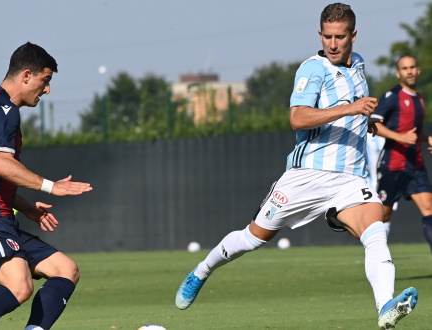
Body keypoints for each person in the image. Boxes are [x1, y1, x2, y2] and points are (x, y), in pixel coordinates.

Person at [175, 4, 418, 329]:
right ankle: (201, 271)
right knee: (253, 238)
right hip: (306, 177)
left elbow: (355, 112)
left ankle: (385, 307)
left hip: (349, 179)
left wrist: (366, 121)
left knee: (375, 233)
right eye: (327, 36)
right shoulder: (312, 69)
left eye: (340, 37)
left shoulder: (358, 64)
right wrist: (350, 110)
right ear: (320, 35)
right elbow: (297, 117)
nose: (333, 43)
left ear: (353, 36)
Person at [0, 42, 92, 330]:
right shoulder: (3, 110)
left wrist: (26, 208)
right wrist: (52, 187)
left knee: (66, 270)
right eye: (46, 80)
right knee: (19, 286)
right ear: (27, 75)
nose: (47, 89)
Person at [371, 55, 432, 253]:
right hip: (392, 166)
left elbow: (413, 133)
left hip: (415, 165)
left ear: (418, 70)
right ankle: (375, 257)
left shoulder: (419, 99)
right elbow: (373, 124)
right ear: (398, 73)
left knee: (429, 210)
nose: (410, 71)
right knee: (383, 217)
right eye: (405, 68)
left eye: (413, 67)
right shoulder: (393, 96)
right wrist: (399, 137)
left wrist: (426, 139)